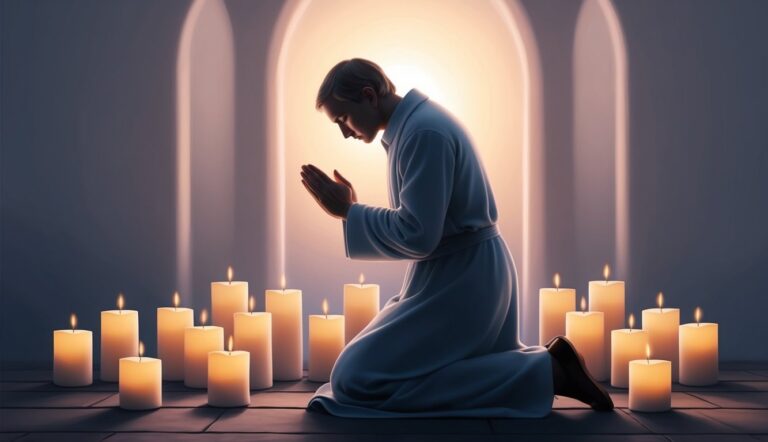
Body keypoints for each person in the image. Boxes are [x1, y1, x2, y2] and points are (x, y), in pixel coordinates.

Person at [300, 58, 613, 418]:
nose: (344, 132)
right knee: (363, 375)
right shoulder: (414, 128)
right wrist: (352, 210)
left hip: (465, 281)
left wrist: (350, 213)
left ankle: (548, 371)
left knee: (357, 378)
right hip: (455, 275)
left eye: (342, 119)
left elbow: (419, 235)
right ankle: (547, 368)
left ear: (369, 96)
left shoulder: (423, 133)